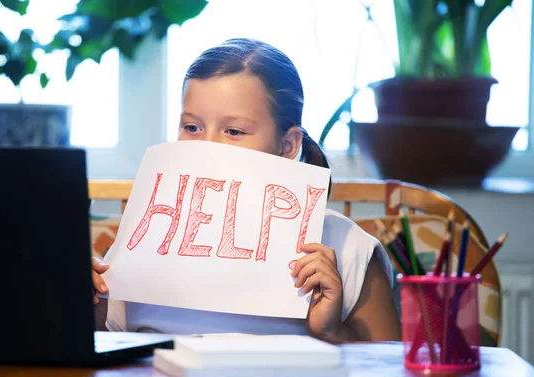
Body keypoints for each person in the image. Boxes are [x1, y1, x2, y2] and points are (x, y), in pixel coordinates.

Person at [92, 38, 401, 343]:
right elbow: (109, 352)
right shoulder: (148, 236)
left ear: (287, 145)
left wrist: (332, 332)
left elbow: (391, 374)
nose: (208, 146)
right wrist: (93, 312)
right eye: (192, 127)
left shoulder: (346, 248)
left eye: (234, 131)